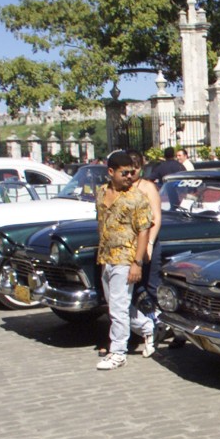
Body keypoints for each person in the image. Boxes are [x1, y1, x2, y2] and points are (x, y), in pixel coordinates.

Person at [95, 150, 155, 370]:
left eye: (132, 173)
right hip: (106, 257)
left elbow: (143, 230)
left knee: (118, 308)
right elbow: (101, 223)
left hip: (126, 258)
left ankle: (118, 352)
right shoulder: (101, 193)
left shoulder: (137, 198)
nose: (130, 177)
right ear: (111, 172)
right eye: (124, 173)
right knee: (116, 305)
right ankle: (148, 326)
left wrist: (137, 262)